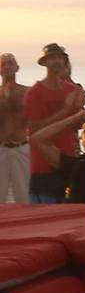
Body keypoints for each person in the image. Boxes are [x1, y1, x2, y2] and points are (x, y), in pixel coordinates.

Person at [23, 45, 82, 203]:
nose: (56, 61)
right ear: (45, 63)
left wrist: (79, 109)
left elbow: (76, 126)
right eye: (52, 58)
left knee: (69, 216)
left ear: (65, 61)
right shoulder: (35, 93)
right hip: (43, 165)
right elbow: (33, 130)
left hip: (67, 160)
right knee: (43, 217)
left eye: (59, 58)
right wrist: (66, 110)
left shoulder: (72, 90)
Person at [0, 53, 29, 203]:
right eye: (3, 64)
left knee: (23, 194)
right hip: (1, 147)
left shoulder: (27, 92)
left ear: (17, 68)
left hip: (21, 146)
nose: (7, 67)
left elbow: (36, 120)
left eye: (10, 63)